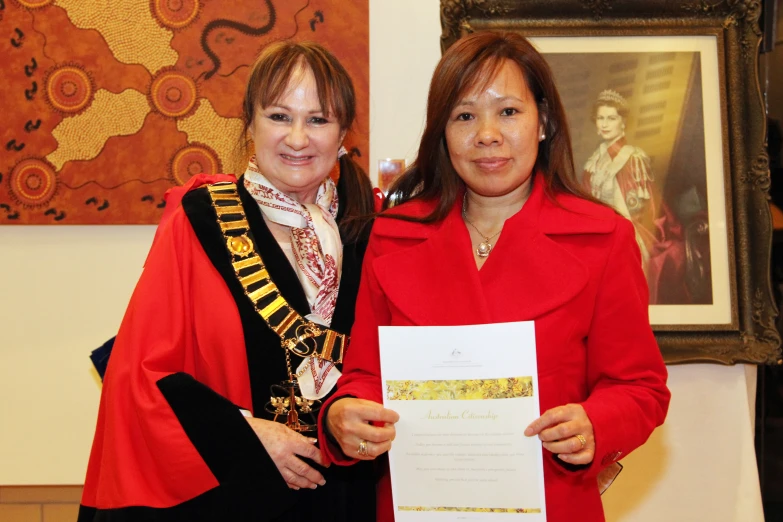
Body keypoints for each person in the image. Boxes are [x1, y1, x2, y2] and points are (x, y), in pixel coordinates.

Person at [320, 31, 671, 522]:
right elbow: (363, 376)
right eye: (464, 116)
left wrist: (595, 423)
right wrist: (343, 413)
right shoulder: (395, 236)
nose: (487, 134)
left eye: (508, 111)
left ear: (543, 121)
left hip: (551, 503)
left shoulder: (601, 238)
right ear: (442, 131)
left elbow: (640, 387)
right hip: (420, 503)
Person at [78, 41, 376, 522]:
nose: (298, 138)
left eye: (318, 120)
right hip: (233, 492)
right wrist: (246, 434)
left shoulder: (369, 228)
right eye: (280, 116)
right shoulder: (198, 221)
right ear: (249, 125)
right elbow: (141, 373)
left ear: (343, 133)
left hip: (343, 494)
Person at [582, 89, 657, 271]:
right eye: (601, 118)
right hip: (596, 236)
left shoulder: (633, 158)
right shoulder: (593, 162)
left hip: (628, 235)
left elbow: (641, 210)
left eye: (611, 118)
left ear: (623, 122)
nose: (605, 124)